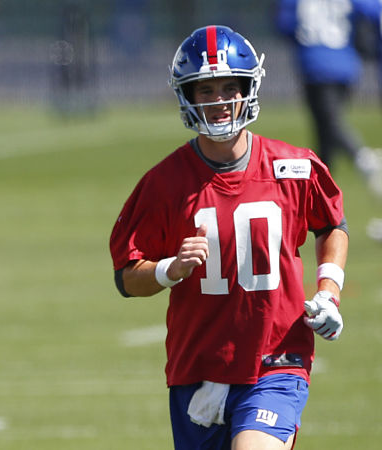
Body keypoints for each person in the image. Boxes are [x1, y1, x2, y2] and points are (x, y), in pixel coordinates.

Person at [108, 26, 348, 449]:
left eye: (228, 89)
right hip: (198, 369)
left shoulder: (292, 166)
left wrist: (329, 292)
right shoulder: (164, 183)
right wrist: (169, 269)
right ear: (187, 96)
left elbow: (331, 225)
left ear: (247, 90)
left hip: (276, 362)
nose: (219, 102)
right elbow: (127, 276)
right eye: (206, 91)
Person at [276, 0, 382, 198]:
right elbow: (375, 13)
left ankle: (362, 157)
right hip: (346, 65)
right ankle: (320, 191)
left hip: (314, 62)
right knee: (324, 132)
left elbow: (284, 25)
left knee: (328, 122)